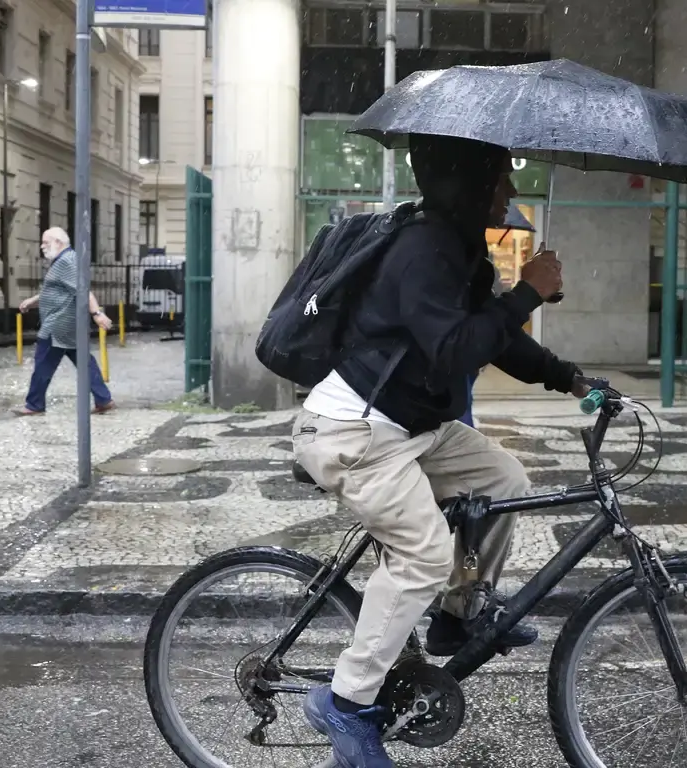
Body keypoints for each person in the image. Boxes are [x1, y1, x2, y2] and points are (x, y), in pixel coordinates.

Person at [292, 134, 580, 767]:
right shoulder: (423, 249)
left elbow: (493, 339)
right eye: (500, 179)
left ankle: (457, 611)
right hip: (356, 430)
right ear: (468, 182)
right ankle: (346, 702)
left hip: (414, 425)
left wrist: (569, 376)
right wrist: (526, 292)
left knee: (503, 481)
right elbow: (456, 348)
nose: (509, 191)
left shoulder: (459, 249)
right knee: (422, 553)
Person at [15, 227, 115, 416]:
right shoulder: (66, 260)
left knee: (43, 364)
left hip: (57, 326)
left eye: (46, 242)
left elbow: (83, 290)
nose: (42, 246)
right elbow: (57, 288)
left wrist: (97, 313)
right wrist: (33, 301)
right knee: (85, 363)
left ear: (59, 243)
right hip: (69, 326)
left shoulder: (66, 261)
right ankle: (104, 399)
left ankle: (34, 405)